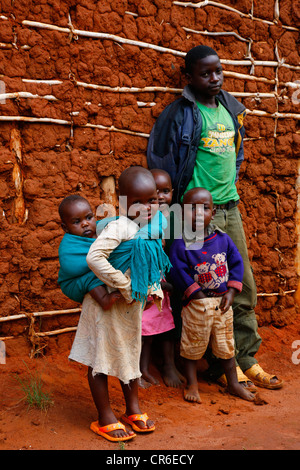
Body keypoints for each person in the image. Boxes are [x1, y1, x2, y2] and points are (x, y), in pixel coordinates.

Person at [147, 45, 283, 390]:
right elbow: (161, 162)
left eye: (218, 71)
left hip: (227, 208)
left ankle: (244, 359)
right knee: (189, 289)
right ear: (189, 77)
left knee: (240, 286)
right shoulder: (179, 114)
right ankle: (201, 360)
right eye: (206, 73)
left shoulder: (228, 109)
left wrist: (225, 192)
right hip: (190, 216)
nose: (215, 78)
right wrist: (173, 211)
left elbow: (235, 156)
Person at [66, 167, 171, 442]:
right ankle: (105, 416)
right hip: (106, 305)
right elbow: (95, 258)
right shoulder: (120, 226)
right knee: (100, 359)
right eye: (139, 201)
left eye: (152, 200)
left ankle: (132, 409)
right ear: (123, 202)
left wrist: (152, 291)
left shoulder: (148, 228)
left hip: (129, 306)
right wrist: (124, 285)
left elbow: (149, 265)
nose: (148, 207)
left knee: (130, 354)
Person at [169, 187, 255, 404]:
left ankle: (233, 383)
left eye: (204, 208)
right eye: (192, 209)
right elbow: (177, 271)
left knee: (226, 346)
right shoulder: (180, 244)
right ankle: (192, 383)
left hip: (222, 304)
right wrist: (195, 294)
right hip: (196, 305)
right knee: (192, 346)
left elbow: (236, 264)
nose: (198, 214)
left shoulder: (223, 239)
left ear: (213, 212)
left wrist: (233, 291)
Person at [139, 169, 185, 389]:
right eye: (154, 192)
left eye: (165, 191)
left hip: (171, 280)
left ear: (173, 193)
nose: (159, 197)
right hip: (149, 283)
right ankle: (142, 368)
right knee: (144, 328)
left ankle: (169, 364)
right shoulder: (142, 219)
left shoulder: (176, 218)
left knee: (169, 321)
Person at [58, 194, 121, 310]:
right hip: (75, 281)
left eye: (89, 217)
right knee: (92, 277)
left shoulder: (102, 228)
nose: (85, 224)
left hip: (99, 270)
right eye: (77, 222)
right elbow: (70, 266)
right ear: (65, 228)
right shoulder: (69, 246)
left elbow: (121, 222)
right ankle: (104, 300)